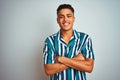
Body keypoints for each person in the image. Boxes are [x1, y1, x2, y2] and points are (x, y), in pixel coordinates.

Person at [43, 4, 95, 80]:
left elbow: (89, 67)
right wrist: (77, 59)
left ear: (74, 18)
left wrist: (62, 59)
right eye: (61, 17)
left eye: (69, 16)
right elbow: (48, 70)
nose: (65, 20)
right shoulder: (50, 41)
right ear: (57, 20)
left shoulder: (85, 39)